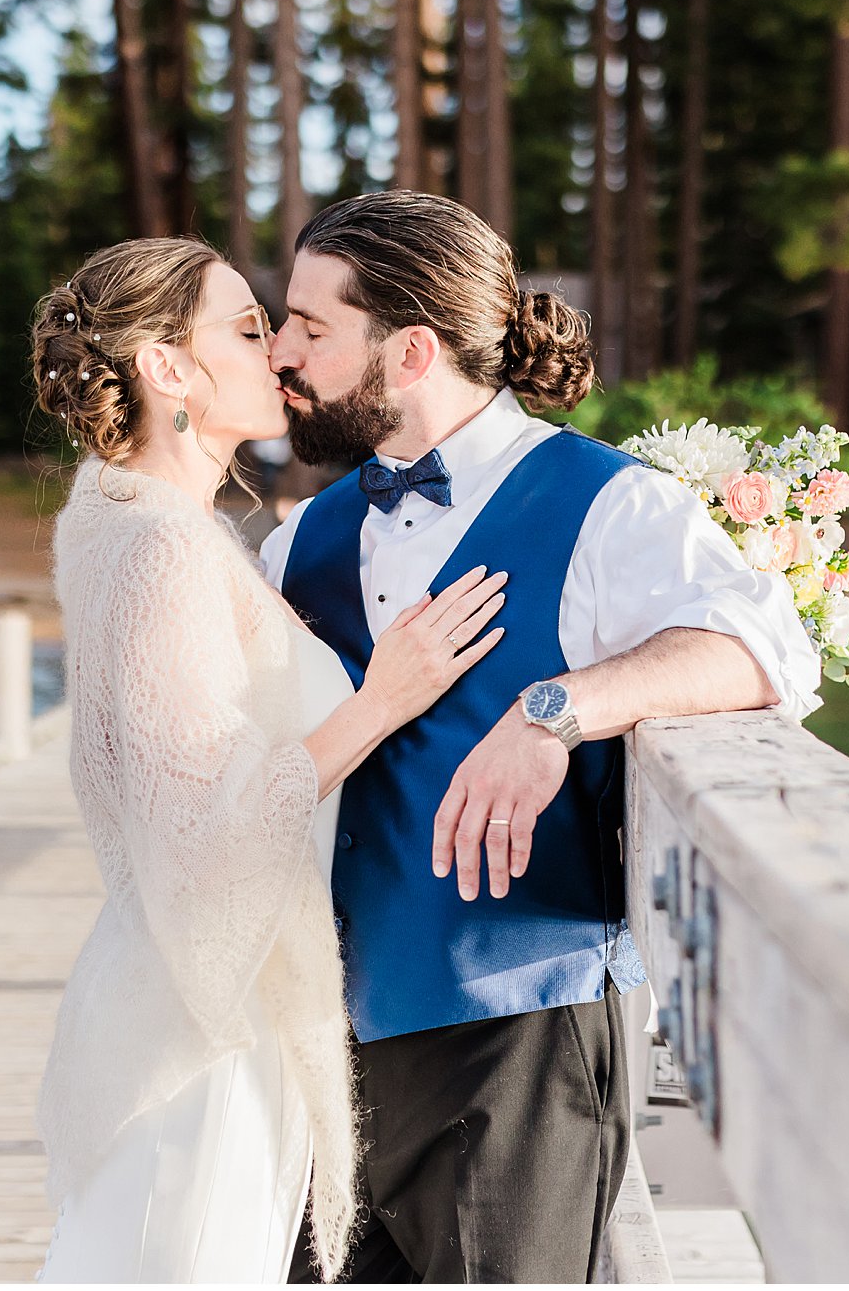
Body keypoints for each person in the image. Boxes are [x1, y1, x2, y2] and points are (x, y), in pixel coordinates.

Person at [262, 191, 823, 1283]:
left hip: (515, 1030)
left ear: (409, 348)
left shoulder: (611, 503)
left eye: (310, 325)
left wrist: (552, 710)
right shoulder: (306, 536)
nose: (282, 350)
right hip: (319, 1043)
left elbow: (764, 652)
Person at [27, 236, 514, 1283]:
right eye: (249, 330)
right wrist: (382, 699)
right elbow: (200, 825)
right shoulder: (159, 547)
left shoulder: (149, 525)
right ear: (165, 368)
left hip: (219, 993)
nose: (283, 352)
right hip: (204, 1030)